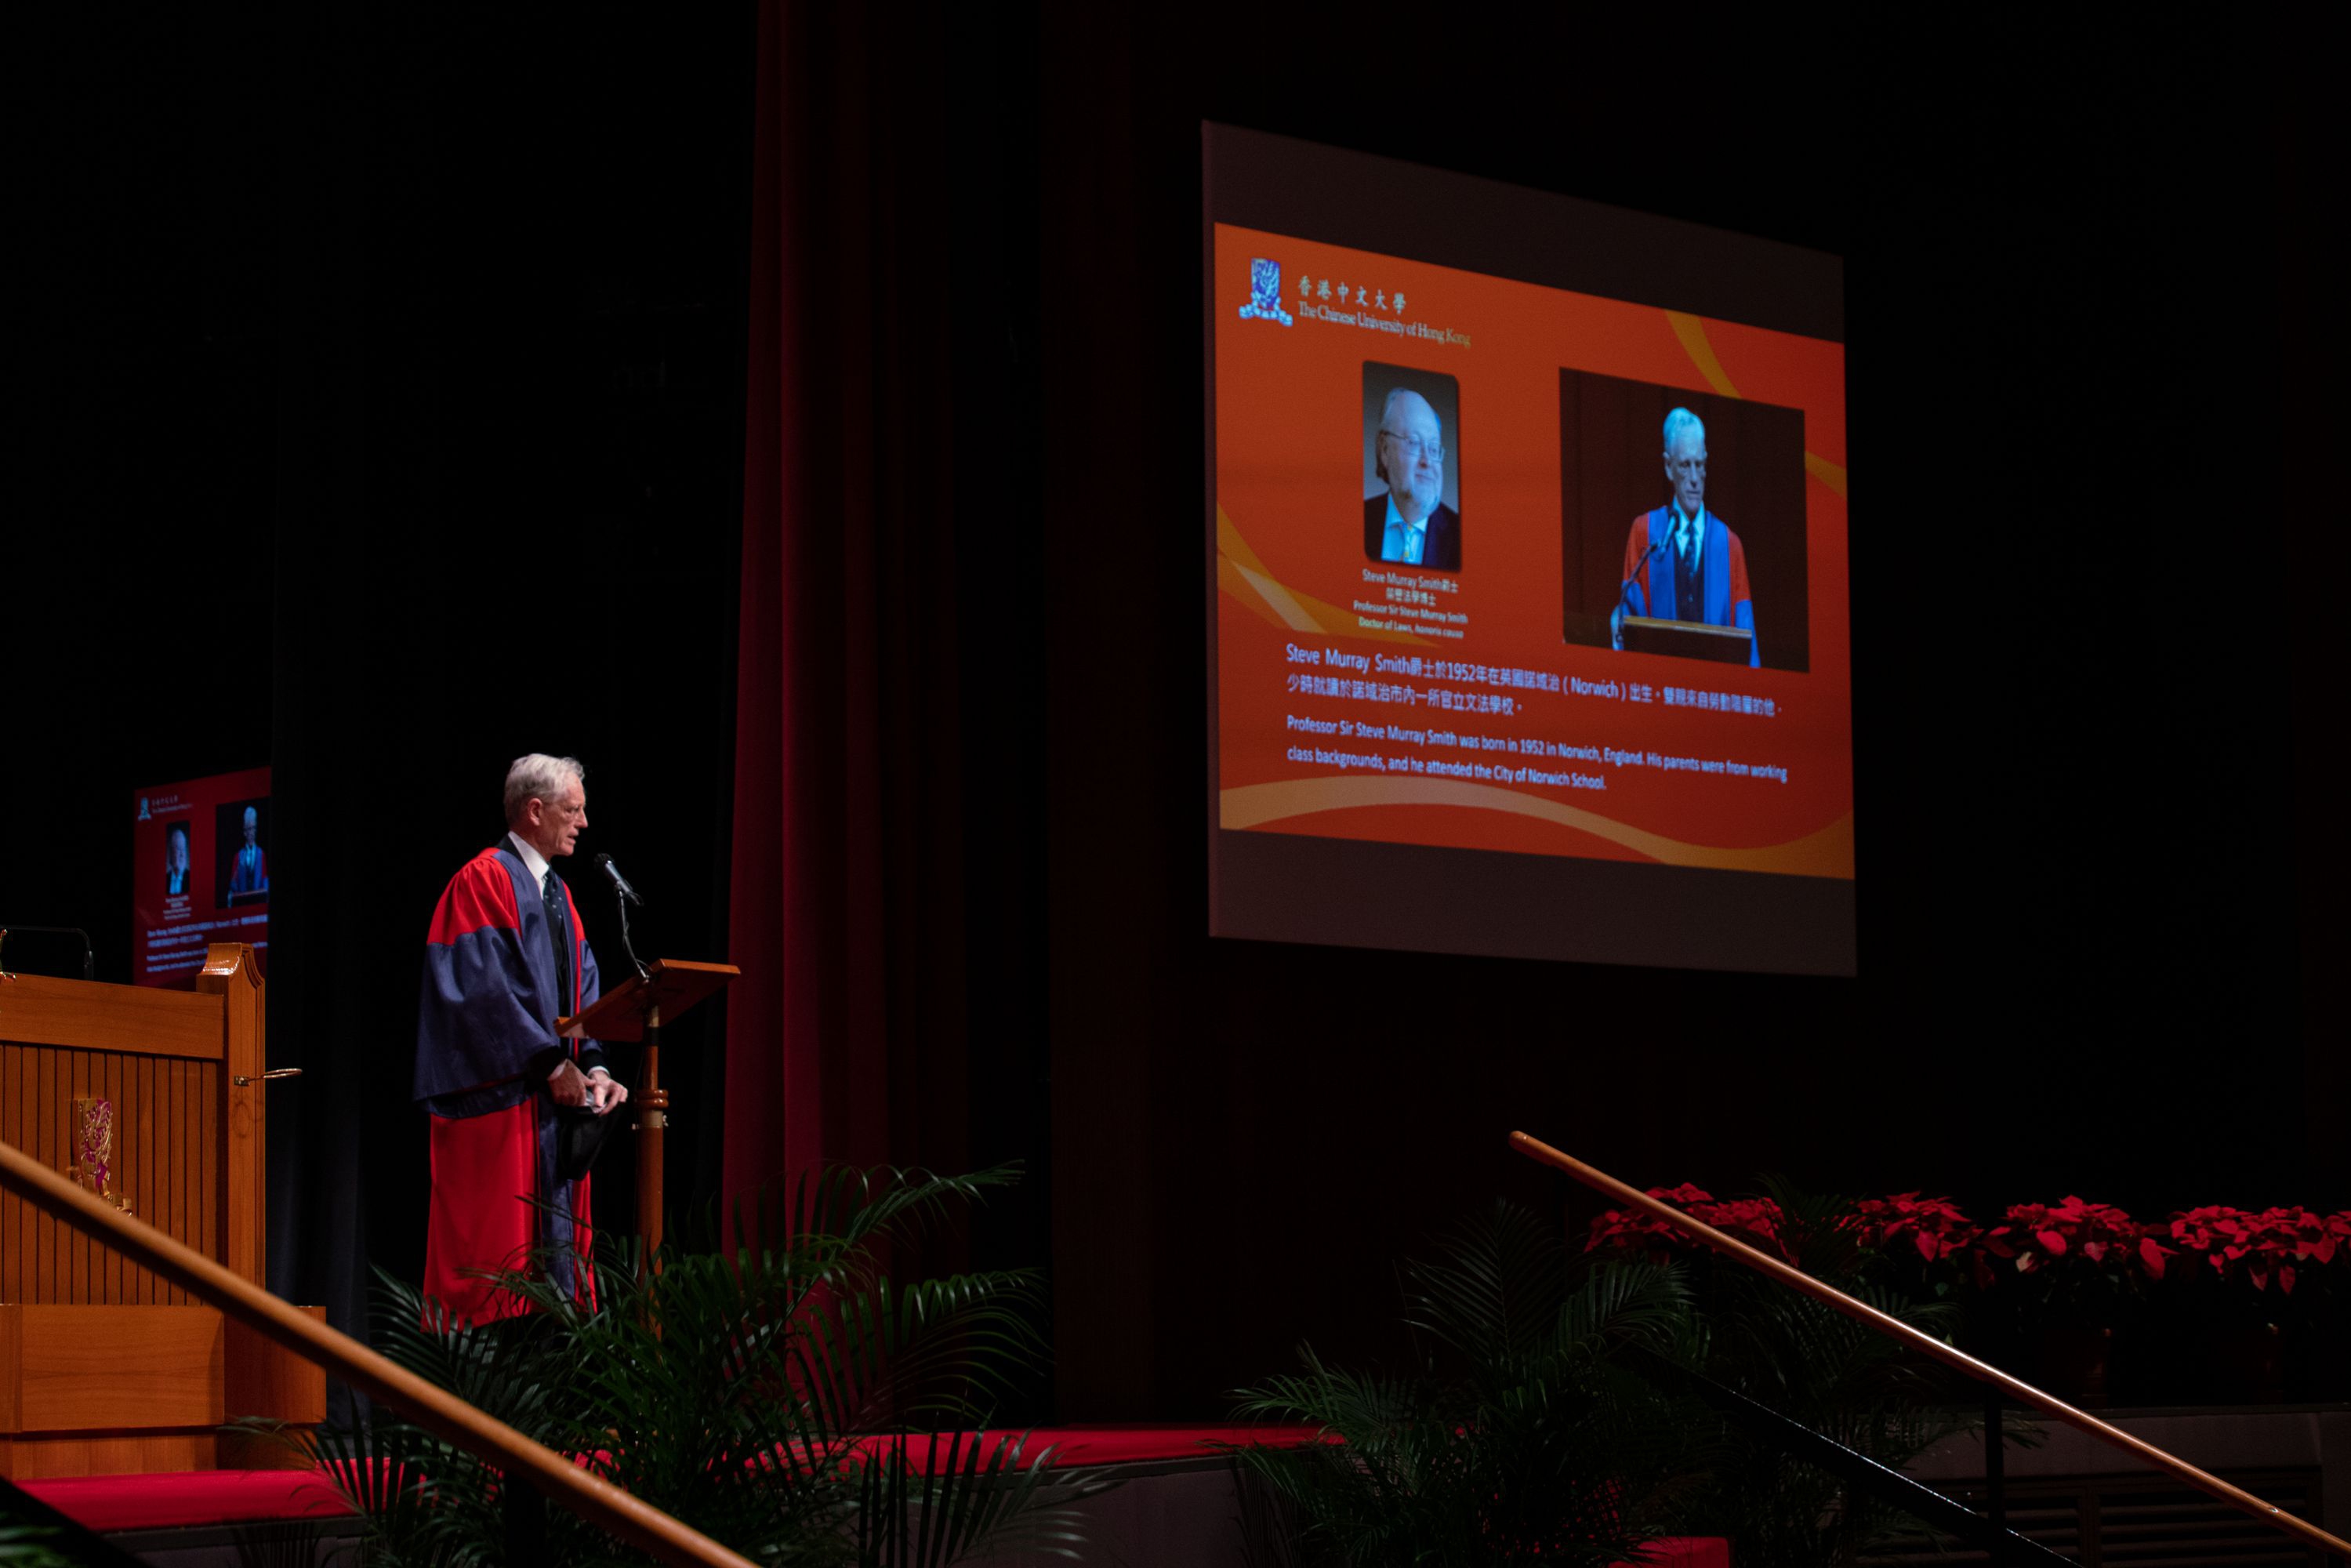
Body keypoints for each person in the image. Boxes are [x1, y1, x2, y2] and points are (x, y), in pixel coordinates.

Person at [413, 753, 629, 1324]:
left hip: (552, 1111)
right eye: (571, 809)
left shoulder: (559, 896)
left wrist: (598, 1069)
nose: (582, 823)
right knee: (495, 1274)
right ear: (535, 811)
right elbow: (480, 994)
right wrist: (550, 1065)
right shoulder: (481, 881)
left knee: (552, 1286)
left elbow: (584, 990)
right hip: (501, 1105)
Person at [1616, 408, 1759, 667]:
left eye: (1699, 465)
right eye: (1684, 465)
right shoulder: (1646, 534)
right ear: (1669, 468)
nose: (1694, 478)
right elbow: (1629, 626)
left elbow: (1746, 640)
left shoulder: (1729, 544)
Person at [1361, 387, 1461, 571]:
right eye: (1414, 443)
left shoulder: (1462, 536)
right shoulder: (1358, 519)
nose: (1427, 462)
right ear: (1385, 450)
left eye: (1433, 448)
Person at [226, 806, 269, 896]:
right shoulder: (238, 856)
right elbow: (233, 884)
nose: (252, 833)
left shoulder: (261, 854)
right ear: (244, 832)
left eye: (254, 828)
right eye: (249, 829)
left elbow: (265, 881)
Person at [164, 826, 193, 895]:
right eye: (178, 849)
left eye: (183, 849)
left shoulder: (192, 878)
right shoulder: (165, 879)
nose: (182, 855)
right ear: (171, 852)